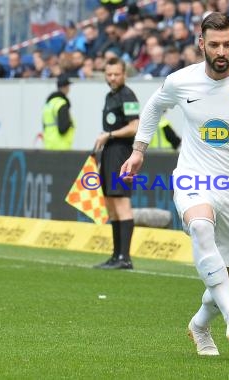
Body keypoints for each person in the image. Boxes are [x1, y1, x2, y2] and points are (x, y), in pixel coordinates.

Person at [120, 13, 229, 355]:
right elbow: (154, 107)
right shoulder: (180, 80)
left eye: (227, 44)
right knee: (201, 227)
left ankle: (200, 324)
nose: (221, 51)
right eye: (214, 44)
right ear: (201, 43)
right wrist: (139, 150)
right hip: (193, 178)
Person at [93, 57, 140, 270]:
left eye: (116, 74)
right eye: (109, 74)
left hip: (121, 152)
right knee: (111, 205)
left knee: (121, 203)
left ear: (124, 74)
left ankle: (125, 258)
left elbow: (135, 126)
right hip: (110, 152)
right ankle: (115, 256)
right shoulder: (108, 96)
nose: (112, 78)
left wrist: (109, 135)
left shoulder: (127, 94)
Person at [42, 74, 76, 150]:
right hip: (61, 146)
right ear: (65, 87)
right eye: (68, 86)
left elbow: (44, 125)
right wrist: (70, 123)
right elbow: (63, 129)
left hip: (48, 145)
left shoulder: (49, 104)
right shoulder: (61, 104)